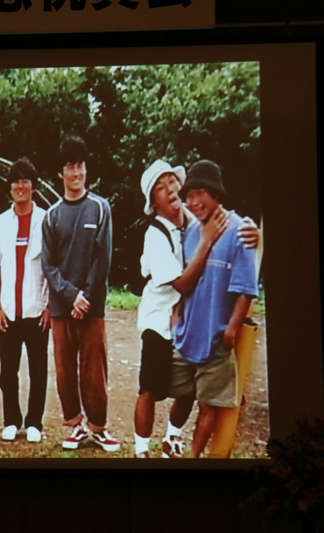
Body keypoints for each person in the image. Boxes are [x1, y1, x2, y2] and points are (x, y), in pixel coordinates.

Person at [133, 160, 232, 458]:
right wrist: (206, 242)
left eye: (172, 182)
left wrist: (251, 232)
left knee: (188, 390)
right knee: (149, 389)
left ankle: (171, 438)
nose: (170, 190)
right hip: (158, 319)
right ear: (154, 203)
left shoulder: (192, 218)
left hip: (189, 320)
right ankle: (141, 450)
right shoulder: (155, 235)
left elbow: (227, 222)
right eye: (160, 189)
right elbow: (184, 284)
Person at [171, 160, 259, 458]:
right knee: (179, 393)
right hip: (188, 333)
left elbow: (246, 288)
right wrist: (177, 314)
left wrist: (231, 330)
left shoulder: (240, 230)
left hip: (217, 334)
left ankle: (194, 459)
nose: (194, 202)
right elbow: (185, 281)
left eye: (201, 193)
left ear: (217, 194)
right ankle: (171, 441)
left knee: (208, 406)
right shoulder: (191, 232)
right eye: (189, 195)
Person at [41, 136, 120, 452]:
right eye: (69, 167)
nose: (76, 173)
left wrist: (85, 296)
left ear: (86, 169)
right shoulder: (51, 215)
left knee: (94, 369)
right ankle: (74, 425)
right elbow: (49, 265)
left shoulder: (100, 208)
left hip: (92, 305)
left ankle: (98, 427)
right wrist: (71, 295)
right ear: (60, 173)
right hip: (62, 308)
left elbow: (103, 258)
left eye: (80, 165)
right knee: (64, 371)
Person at [0, 158, 51, 443]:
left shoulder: (46, 220)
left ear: (33, 187)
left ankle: (35, 422)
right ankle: (11, 420)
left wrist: (50, 306)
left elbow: (53, 265)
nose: (20, 186)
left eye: (25, 181)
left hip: (37, 309)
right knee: (8, 371)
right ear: (10, 187)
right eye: (15, 181)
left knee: (38, 370)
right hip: (9, 310)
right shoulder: (0, 223)